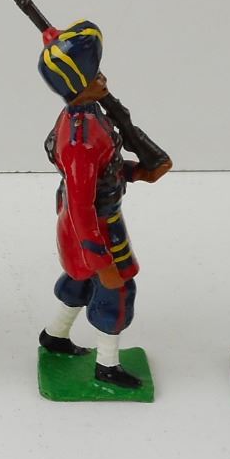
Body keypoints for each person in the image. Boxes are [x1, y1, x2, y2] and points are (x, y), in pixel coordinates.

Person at [33, 21, 145, 387]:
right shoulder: (80, 137)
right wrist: (101, 260)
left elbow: (103, 170)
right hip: (96, 225)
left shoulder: (90, 117)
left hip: (93, 219)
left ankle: (56, 335)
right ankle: (107, 365)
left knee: (79, 282)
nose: (102, 79)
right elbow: (83, 203)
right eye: (94, 75)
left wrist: (134, 172)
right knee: (116, 288)